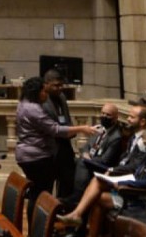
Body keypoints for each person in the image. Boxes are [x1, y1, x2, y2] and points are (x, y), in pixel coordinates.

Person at [57, 127, 146, 229]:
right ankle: (78, 217)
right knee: (97, 182)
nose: (142, 138)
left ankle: (78, 219)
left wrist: (123, 182)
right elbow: (137, 173)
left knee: (98, 197)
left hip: (140, 198)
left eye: (144, 137)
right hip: (130, 192)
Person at [14, 76, 98, 213]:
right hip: (37, 157)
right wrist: (82, 128)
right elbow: (55, 130)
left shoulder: (23, 103)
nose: (46, 95)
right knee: (40, 195)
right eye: (44, 92)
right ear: (37, 92)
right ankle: (38, 230)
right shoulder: (34, 109)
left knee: (36, 193)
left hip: (26, 155)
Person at [62, 103, 125, 207]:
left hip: (103, 167)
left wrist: (90, 159)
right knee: (68, 162)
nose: (104, 117)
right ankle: (65, 196)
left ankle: (77, 198)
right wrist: (86, 154)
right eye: (102, 113)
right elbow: (87, 146)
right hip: (90, 160)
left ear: (115, 118)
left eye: (108, 115)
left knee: (82, 163)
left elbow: (106, 160)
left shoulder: (116, 137)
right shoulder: (99, 129)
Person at [41, 69, 77, 198]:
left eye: (61, 85)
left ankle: (62, 210)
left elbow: (66, 117)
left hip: (64, 146)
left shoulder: (61, 97)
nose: (60, 88)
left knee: (67, 182)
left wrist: (71, 129)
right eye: (56, 85)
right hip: (49, 148)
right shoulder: (42, 100)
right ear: (46, 84)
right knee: (47, 186)